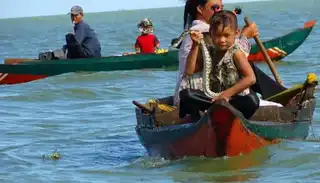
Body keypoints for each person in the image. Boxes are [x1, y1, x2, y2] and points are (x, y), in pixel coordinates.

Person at [179, 10, 260, 121]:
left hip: (232, 99)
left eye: (226, 35)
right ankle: (197, 120)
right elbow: (189, 71)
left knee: (252, 100)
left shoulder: (236, 53)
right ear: (211, 33)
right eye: (217, 35)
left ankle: (238, 120)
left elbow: (251, 78)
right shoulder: (208, 50)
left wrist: (226, 95)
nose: (222, 40)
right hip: (211, 99)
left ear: (236, 33)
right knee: (187, 95)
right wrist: (195, 45)